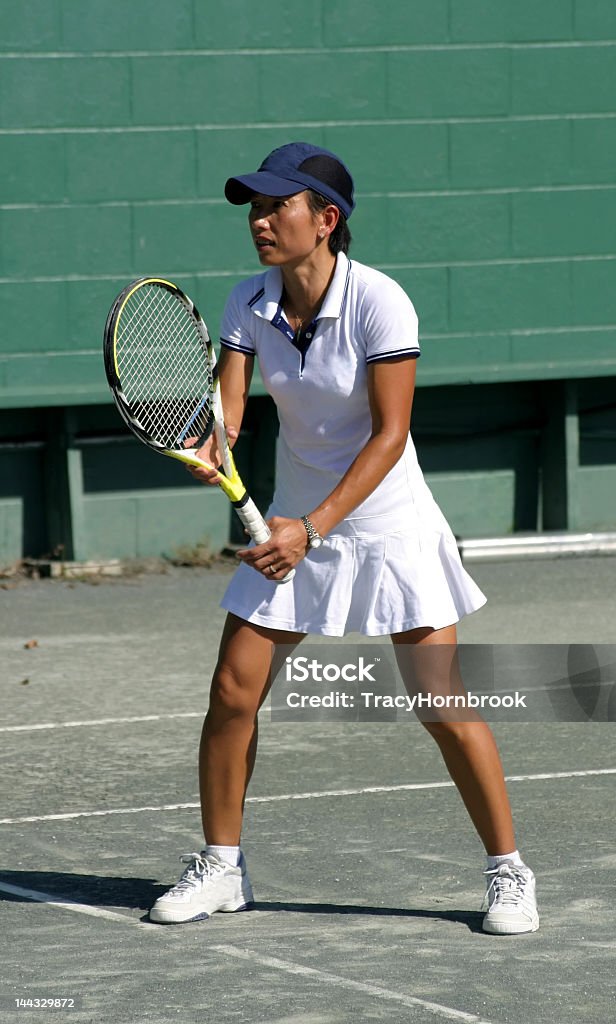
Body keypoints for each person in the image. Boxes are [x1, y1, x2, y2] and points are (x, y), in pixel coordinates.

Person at [149, 142, 539, 935]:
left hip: (384, 523)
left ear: (324, 220)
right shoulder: (244, 302)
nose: (259, 222)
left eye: (275, 207)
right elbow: (230, 414)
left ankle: (509, 873)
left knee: (439, 700)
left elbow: (390, 434)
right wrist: (211, 445)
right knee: (232, 691)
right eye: (254, 209)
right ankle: (222, 868)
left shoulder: (379, 302)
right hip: (290, 524)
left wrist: (312, 528)